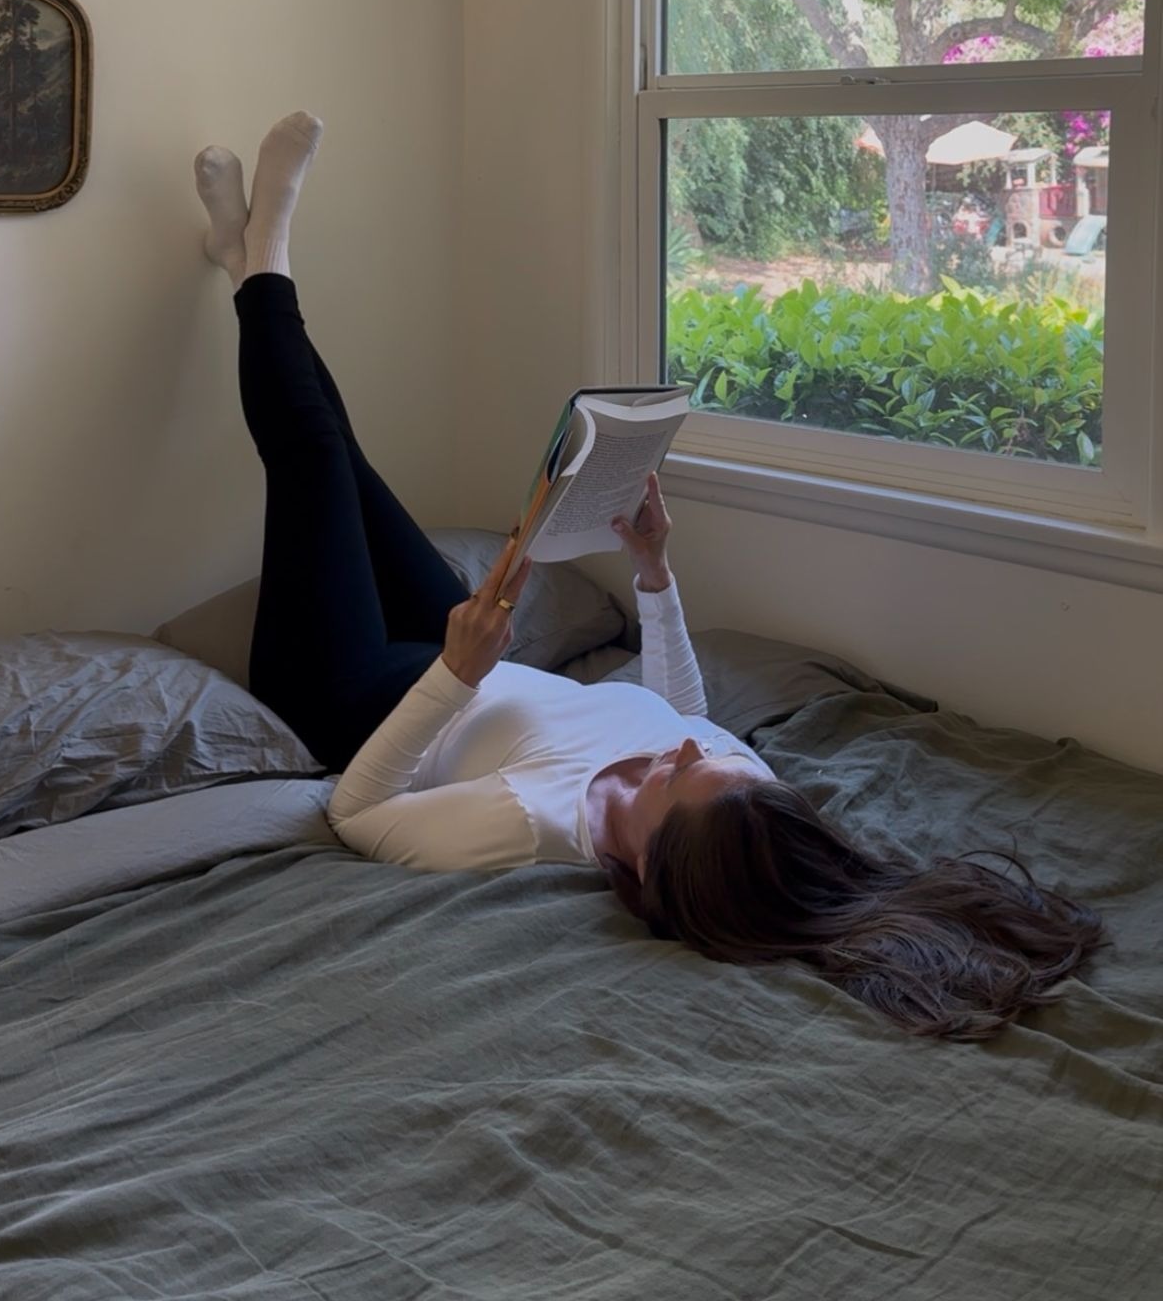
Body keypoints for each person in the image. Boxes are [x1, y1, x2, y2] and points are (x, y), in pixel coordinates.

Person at [195, 113, 1104, 1041]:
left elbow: (357, 812)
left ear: (651, 860)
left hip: (353, 694)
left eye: (680, 777)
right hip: (464, 652)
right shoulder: (737, 791)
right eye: (708, 762)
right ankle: (246, 265)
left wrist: (453, 677)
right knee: (346, 459)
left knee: (310, 458)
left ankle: (266, 250)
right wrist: (653, 573)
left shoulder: (523, 828)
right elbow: (688, 716)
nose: (688, 751)